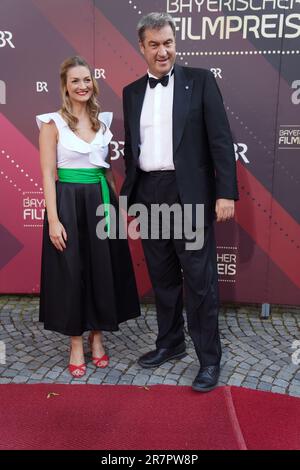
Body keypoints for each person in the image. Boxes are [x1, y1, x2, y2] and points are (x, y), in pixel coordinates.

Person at [121, 13, 239, 392]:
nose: (163, 50)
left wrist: (225, 193)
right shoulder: (132, 92)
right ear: (142, 48)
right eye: (154, 44)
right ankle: (170, 344)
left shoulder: (201, 81)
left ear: (176, 42)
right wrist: (131, 202)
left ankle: (209, 360)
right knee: (164, 280)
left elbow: (221, 140)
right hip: (149, 195)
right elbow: (132, 152)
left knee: (200, 283)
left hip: (188, 194)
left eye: (168, 42)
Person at [37, 56, 140, 378]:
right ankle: (76, 344)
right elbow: (47, 175)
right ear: (65, 87)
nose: (82, 86)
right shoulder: (51, 124)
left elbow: (106, 172)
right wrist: (54, 220)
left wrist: (117, 208)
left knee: (102, 271)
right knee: (71, 273)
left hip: (101, 202)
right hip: (67, 201)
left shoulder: (102, 123)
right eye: (75, 81)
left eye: (86, 80)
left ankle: (97, 338)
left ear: (92, 84)